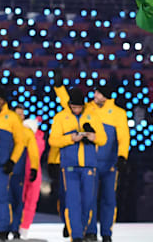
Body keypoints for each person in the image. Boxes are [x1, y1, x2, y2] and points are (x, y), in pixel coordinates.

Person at [49, 88, 107, 242]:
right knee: (72, 201)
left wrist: (93, 136)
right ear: (69, 105)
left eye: (79, 107)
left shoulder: (92, 115)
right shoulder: (60, 117)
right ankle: (76, 236)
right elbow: (53, 140)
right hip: (69, 166)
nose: (76, 110)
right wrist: (70, 139)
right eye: (73, 107)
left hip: (89, 165)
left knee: (88, 201)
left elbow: (103, 139)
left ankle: (81, 229)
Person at [0, 87, 27, 241]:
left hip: (3, 166)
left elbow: (20, 142)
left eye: (1, 98)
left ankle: (2, 230)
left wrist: (12, 160)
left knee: (2, 198)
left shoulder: (12, 117)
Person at [10, 107, 41, 239]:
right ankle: (5, 226)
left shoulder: (31, 134)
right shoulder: (9, 130)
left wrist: (34, 168)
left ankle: (19, 227)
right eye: (17, 114)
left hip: (25, 171)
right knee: (7, 199)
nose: (19, 117)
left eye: (21, 115)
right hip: (11, 169)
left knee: (23, 201)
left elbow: (35, 152)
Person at [19, 118, 45, 240]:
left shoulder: (38, 140)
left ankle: (24, 227)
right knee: (20, 200)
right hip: (21, 170)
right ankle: (17, 225)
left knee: (30, 201)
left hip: (32, 171)